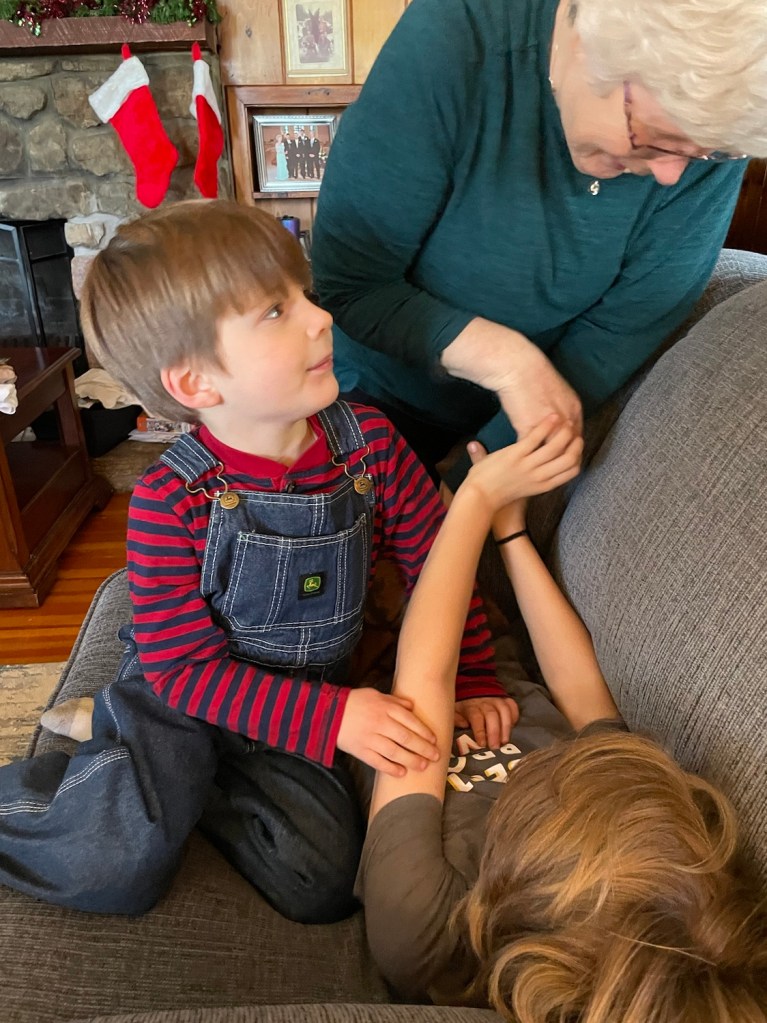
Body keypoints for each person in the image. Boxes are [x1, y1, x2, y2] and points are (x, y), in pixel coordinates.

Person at [0, 200, 517, 924]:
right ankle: (106, 761)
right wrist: (334, 718)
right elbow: (183, 671)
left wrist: (474, 678)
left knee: (323, 880)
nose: (320, 317)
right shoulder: (167, 500)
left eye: (303, 293)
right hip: (183, 696)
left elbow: (441, 571)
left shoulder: (371, 444)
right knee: (115, 863)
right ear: (196, 384)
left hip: (293, 703)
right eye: (276, 311)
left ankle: (155, 772)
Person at [357, 421, 767, 1021]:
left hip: (379, 668)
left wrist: (473, 505)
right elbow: (582, 694)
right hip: (486, 648)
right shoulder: (666, 866)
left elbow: (422, 683)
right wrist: (511, 533)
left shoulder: (426, 931)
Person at [312, 0, 767, 483]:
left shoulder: (708, 132)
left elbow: (618, 335)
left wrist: (483, 471)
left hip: (524, 420)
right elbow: (352, 285)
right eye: (652, 138)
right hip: (377, 395)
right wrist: (511, 364)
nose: (671, 175)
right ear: (588, 40)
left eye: (703, 154)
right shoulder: (456, 35)